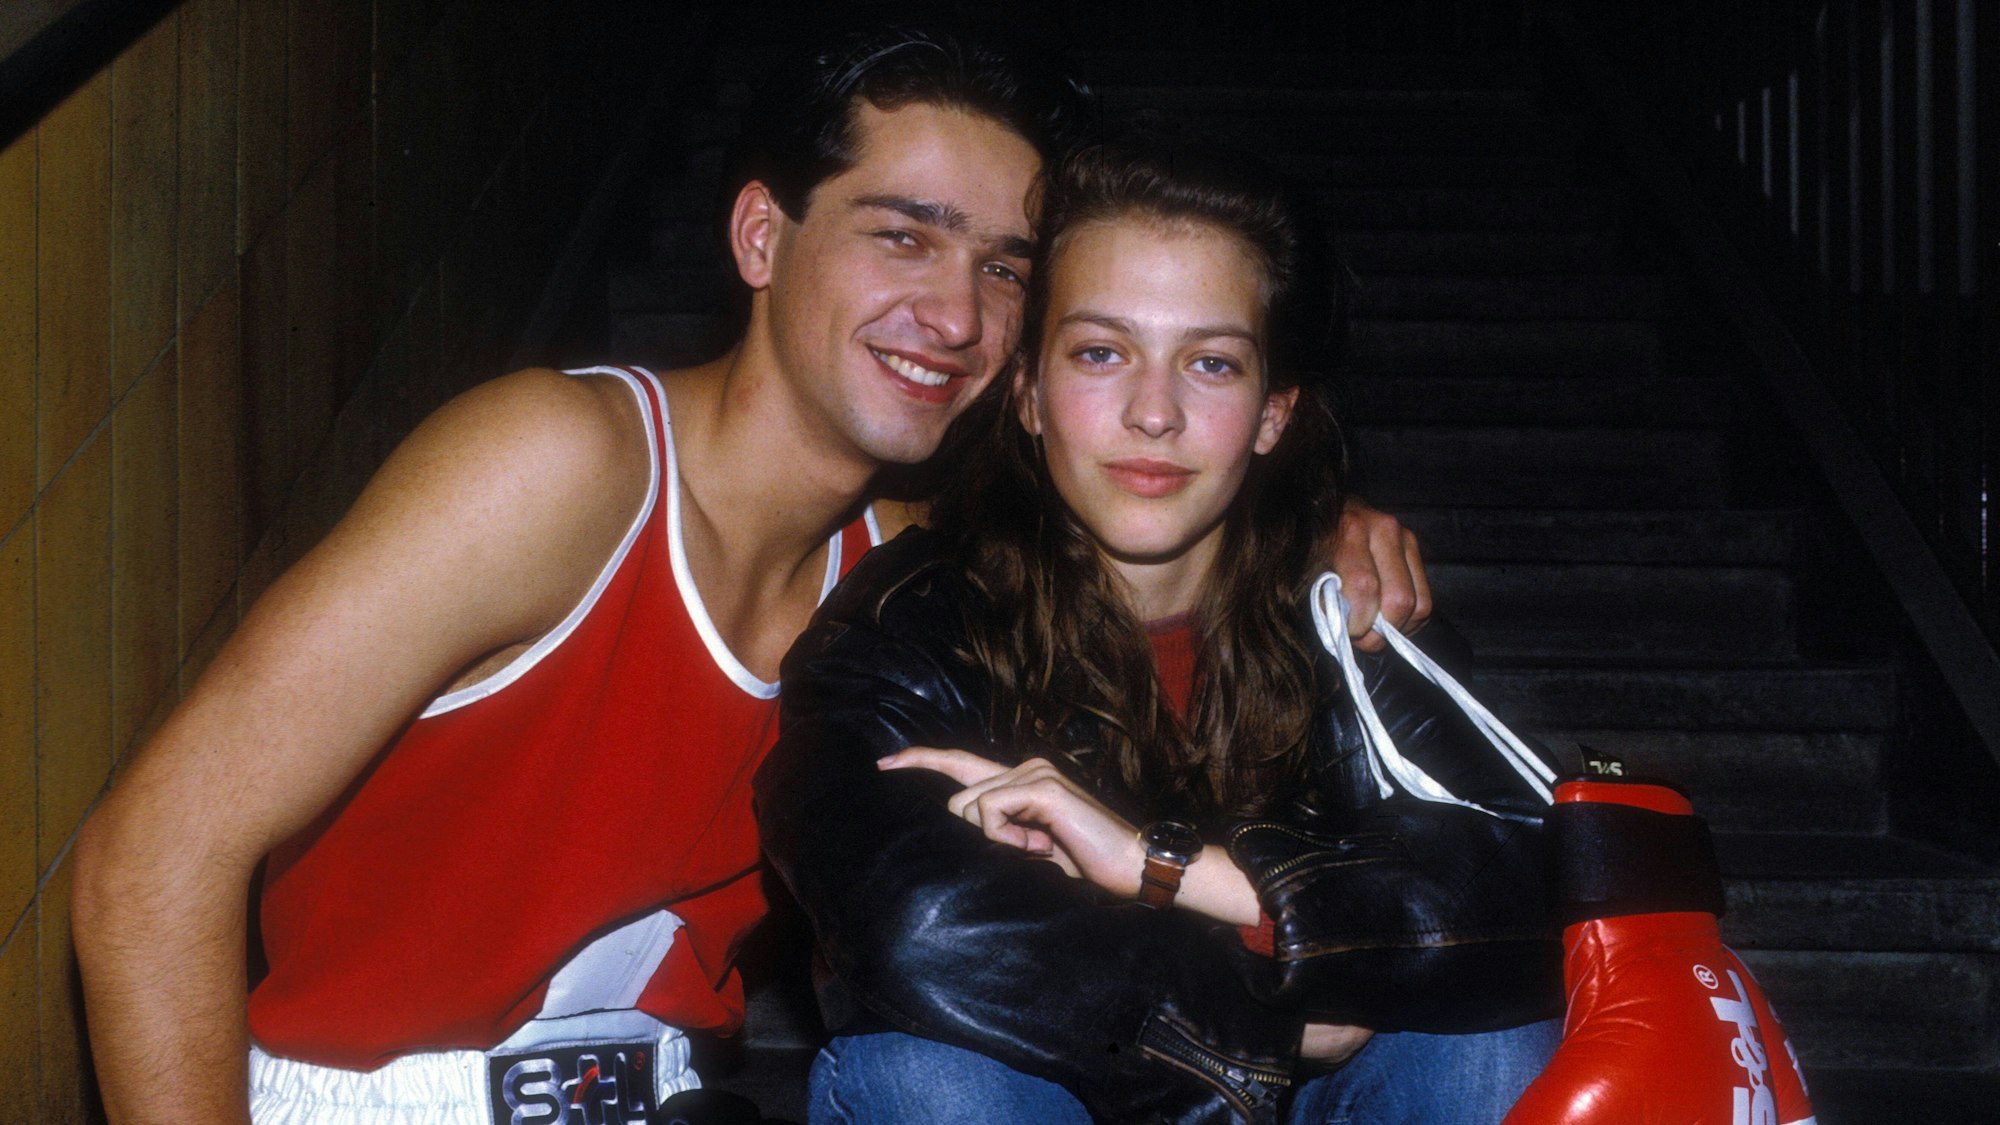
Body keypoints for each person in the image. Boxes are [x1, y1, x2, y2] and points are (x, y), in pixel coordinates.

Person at [69, 25, 1430, 1125]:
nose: (954, 315)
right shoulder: (562, 466)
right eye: (902, 234)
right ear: (763, 239)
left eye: (1004, 268)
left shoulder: (898, 575)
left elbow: (1157, 513)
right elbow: (151, 860)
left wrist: (1317, 518)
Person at [754, 136, 1565, 1124]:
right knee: (919, 1077)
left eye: (1211, 363)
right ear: (1027, 394)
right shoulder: (906, 630)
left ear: (1271, 415)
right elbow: (911, 925)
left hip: (1322, 1100)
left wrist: (1157, 866)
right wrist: (1256, 1027)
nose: (1153, 414)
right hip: (1058, 1092)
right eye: (1100, 352)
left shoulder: (1353, 616)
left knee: (1495, 1050)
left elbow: (1518, 899)